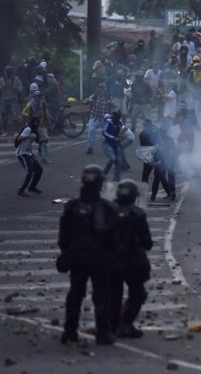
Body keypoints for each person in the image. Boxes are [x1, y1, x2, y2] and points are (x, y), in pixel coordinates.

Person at [57, 165, 116, 345]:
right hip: (99, 258)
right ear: (100, 184)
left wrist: (68, 252)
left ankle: (69, 331)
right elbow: (113, 236)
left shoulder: (72, 206)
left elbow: (63, 235)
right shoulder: (106, 207)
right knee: (101, 295)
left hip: (77, 257)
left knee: (75, 293)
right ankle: (103, 333)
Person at [110, 179, 153, 338]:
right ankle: (125, 323)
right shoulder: (137, 214)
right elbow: (147, 242)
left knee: (113, 294)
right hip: (132, 261)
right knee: (138, 293)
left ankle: (111, 325)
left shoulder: (108, 211)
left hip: (111, 260)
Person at [15, 116, 43, 196]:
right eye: (35, 122)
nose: (36, 124)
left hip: (29, 153)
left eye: (37, 122)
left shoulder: (35, 130)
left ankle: (32, 187)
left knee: (39, 170)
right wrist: (28, 136)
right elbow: (18, 139)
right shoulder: (28, 129)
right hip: (22, 153)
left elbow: (38, 141)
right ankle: (21, 190)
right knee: (29, 171)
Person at [85, 84, 112, 154]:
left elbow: (114, 105)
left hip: (104, 119)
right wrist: (88, 101)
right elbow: (87, 100)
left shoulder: (108, 97)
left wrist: (111, 103)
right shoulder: (94, 96)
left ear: (104, 90)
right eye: (99, 88)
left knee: (109, 133)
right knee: (91, 130)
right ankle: (90, 147)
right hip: (94, 118)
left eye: (102, 88)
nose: (100, 90)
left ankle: (109, 147)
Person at [102, 111, 124, 182]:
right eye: (113, 116)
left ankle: (116, 180)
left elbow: (120, 132)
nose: (113, 118)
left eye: (115, 117)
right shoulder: (109, 122)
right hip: (107, 144)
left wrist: (120, 137)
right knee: (112, 159)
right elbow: (104, 132)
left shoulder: (120, 123)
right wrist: (113, 138)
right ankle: (103, 174)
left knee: (118, 163)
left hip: (115, 145)